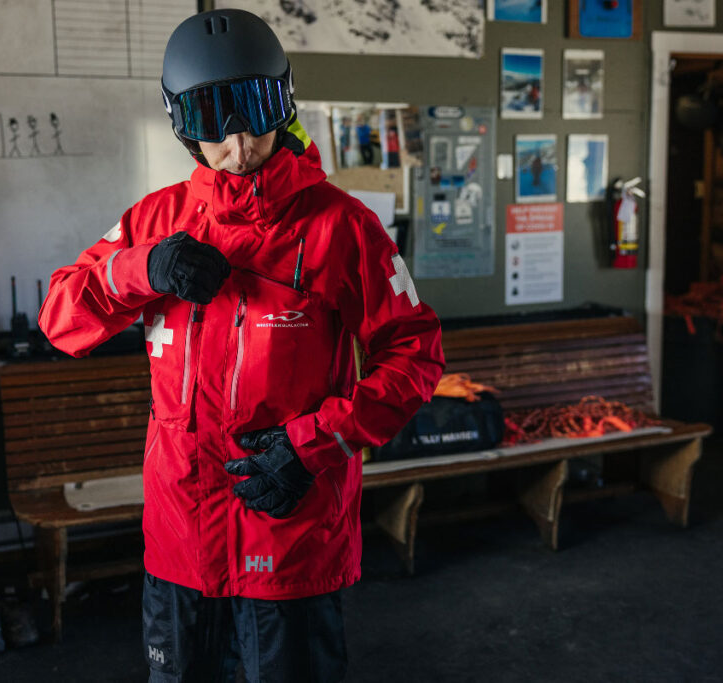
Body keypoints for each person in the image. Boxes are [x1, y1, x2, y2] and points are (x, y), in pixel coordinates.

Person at [38, 9, 444, 682]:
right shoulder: (155, 221)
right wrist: (139, 270)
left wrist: (316, 444)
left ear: (282, 103)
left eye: (254, 112)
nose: (238, 144)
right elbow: (60, 318)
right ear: (181, 125)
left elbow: (416, 355)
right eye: (212, 122)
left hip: (288, 536)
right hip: (181, 540)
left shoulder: (342, 227)